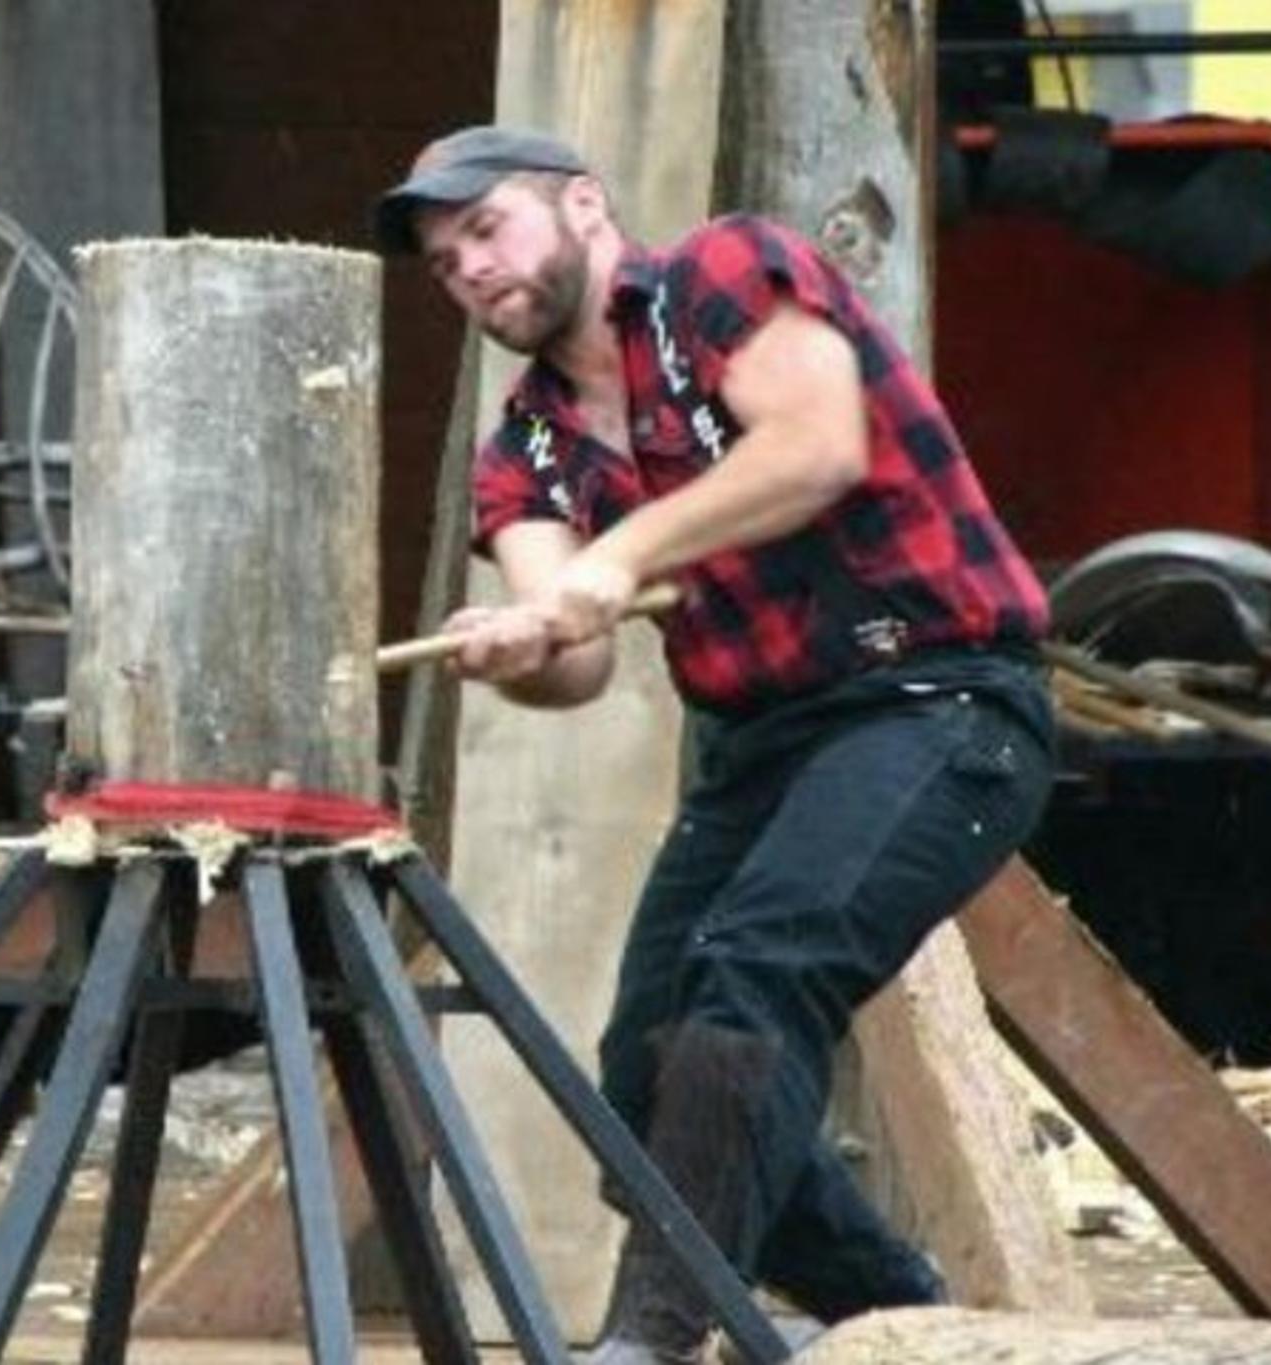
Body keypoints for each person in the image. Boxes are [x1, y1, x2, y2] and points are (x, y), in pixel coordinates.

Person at [374, 126, 1056, 1363]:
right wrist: (522, 647)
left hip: (937, 696)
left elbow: (815, 449)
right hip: (758, 746)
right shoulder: (521, 449)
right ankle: (897, 1319)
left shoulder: (719, 274)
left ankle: (654, 1333)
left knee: (758, 966)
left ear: (584, 207)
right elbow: (574, 664)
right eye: (441, 260)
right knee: (645, 1080)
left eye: (484, 228)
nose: (466, 268)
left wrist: (617, 556)